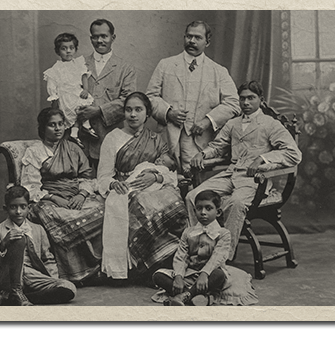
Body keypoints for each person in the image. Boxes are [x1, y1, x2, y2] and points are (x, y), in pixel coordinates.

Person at [186, 81, 302, 260]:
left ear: (261, 100)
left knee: (236, 203)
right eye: (242, 98)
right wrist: (203, 153)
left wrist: (263, 159)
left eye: (251, 98)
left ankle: (223, 257)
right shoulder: (233, 123)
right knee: (193, 196)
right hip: (230, 174)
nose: (246, 103)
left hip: (254, 179)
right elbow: (218, 145)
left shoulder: (269, 124)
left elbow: (293, 154)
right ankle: (199, 249)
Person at [97, 92, 187, 282]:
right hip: (126, 186)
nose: (133, 114)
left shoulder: (155, 139)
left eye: (138, 110)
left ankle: (174, 257)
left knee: (172, 198)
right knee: (141, 203)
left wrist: (154, 175)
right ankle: (150, 264)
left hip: (154, 184)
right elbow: (103, 176)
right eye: (129, 110)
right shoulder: (113, 138)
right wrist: (114, 183)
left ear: (147, 114)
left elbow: (169, 171)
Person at [21, 107, 104, 284]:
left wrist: (82, 194)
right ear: (43, 128)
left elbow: (86, 175)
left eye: (60, 124)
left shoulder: (73, 148)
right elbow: (29, 186)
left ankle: (95, 267)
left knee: (102, 208)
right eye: (52, 125)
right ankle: (72, 274)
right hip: (48, 197)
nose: (58, 128)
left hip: (76, 194)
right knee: (57, 216)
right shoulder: (35, 152)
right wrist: (52, 197)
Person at [146, 20, 240, 175]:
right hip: (168, 138)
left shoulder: (218, 71)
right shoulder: (166, 65)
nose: (192, 41)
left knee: (194, 183)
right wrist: (168, 112)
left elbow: (233, 104)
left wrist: (208, 120)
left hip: (200, 141)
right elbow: (150, 97)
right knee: (167, 180)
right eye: (189, 36)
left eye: (198, 38)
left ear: (207, 42)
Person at [0, 185, 76, 306]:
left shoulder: (38, 229)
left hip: (32, 276)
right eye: (13, 207)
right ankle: (16, 291)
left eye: (23, 207)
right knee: (18, 239)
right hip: (7, 276)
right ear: (6, 208)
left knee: (68, 287)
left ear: (29, 208)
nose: (18, 211)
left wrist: (52, 280)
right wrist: (4, 243)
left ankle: (13, 299)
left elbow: (48, 259)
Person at [78, 18, 137, 169]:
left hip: (111, 136)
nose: (100, 40)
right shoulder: (79, 64)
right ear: (91, 38)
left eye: (104, 36)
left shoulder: (125, 68)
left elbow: (129, 101)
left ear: (113, 38)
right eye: (95, 37)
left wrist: (98, 110)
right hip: (82, 138)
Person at [43, 32, 97, 149]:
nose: (68, 51)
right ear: (58, 51)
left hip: (77, 92)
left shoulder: (78, 63)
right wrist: (55, 101)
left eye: (71, 48)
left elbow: (84, 76)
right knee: (72, 115)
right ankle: (74, 132)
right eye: (64, 48)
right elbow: (52, 87)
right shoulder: (55, 69)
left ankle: (84, 127)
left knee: (83, 109)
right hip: (65, 96)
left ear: (75, 49)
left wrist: (86, 90)